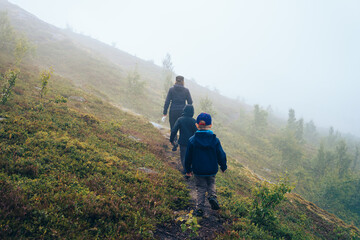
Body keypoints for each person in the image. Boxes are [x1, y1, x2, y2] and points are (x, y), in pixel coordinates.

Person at [185, 113, 227, 217]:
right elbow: (221, 154)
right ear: (211, 125)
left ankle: (199, 209)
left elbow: (188, 157)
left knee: (200, 188)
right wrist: (223, 166)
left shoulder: (192, 140)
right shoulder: (215, 140)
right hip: (211, 169)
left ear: (196, 125)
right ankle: (212, 196)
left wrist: (188, 169)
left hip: (198, 170)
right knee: (211, 183)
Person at [163, 75, 193, 151]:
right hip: (183, 112)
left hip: (173, 111)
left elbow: (167, 101)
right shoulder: (186, 90)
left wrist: (165, 112)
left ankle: (174, 142)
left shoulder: (171, 89)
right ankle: (182, 145)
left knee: (173, 127)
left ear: (175, 81)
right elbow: (190, 102)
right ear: (183, 81)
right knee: (182, 128)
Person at [169, 104, 197, 175]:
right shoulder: (194, 121)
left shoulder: (180, 119)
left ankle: (186, 171)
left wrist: (171, 140)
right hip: (192, 143)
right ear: (192, 112)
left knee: (184, 157)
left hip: (183, 142)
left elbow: (174, 130)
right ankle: (190, 170)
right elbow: (197, 133)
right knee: (191, 157)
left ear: (184, 110)